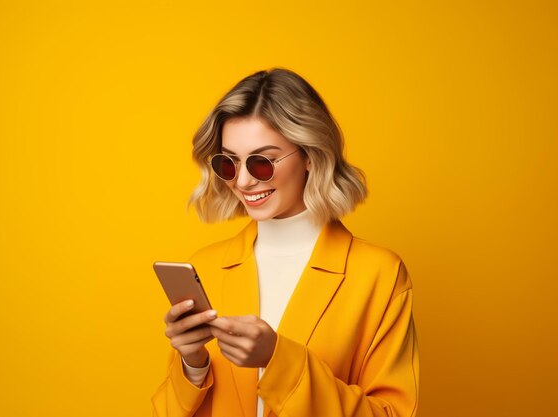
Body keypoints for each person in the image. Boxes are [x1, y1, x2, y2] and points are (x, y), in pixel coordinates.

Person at [152, 68, 419, 417]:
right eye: (228, 163)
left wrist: (279, 360)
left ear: (310, 154)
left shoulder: (379, 274)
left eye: (261, 162)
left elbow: (392, 413)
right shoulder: (206, 266)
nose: (244, 181)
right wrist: (193, 364)